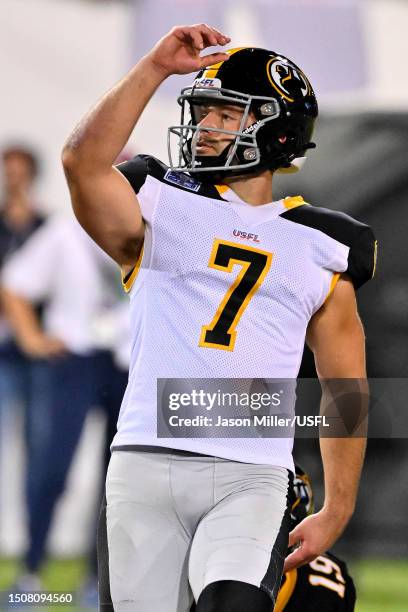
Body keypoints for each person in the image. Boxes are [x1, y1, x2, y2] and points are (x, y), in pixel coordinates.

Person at [62, 24, 376, 612]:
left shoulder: (325, 244)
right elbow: (82, 162)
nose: (205, 127)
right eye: (203, 112)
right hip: (142, 466)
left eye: (226, 115)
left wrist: (340, 505)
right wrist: (154, 68)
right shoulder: (156, 196)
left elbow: (345, 388)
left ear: (278, 127)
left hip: (251, 475)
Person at [1, 215, 128, 593]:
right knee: (51, 467)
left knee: (119, 477)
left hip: (126, 363)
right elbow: (13, 283)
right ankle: (31, 571)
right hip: (72, 359)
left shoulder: (151, 231)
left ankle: (98, 579)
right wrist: (32, 340)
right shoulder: (66, 232)